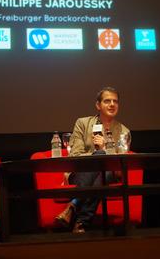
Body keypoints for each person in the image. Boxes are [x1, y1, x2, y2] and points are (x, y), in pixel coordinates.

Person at [54, 86, 130, 233]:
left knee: (105, 171)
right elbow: (75, 156)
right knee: (101, 162)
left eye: (115, 101)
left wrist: (104, 153)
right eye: (107, 101)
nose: (112, 104)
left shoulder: (124, 131)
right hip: (81, 172)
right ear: (98, 105)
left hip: (109, 174)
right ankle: (82, 222)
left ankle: (73, 205)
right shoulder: (82, 123)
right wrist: (98, 152)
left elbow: (120, 162)